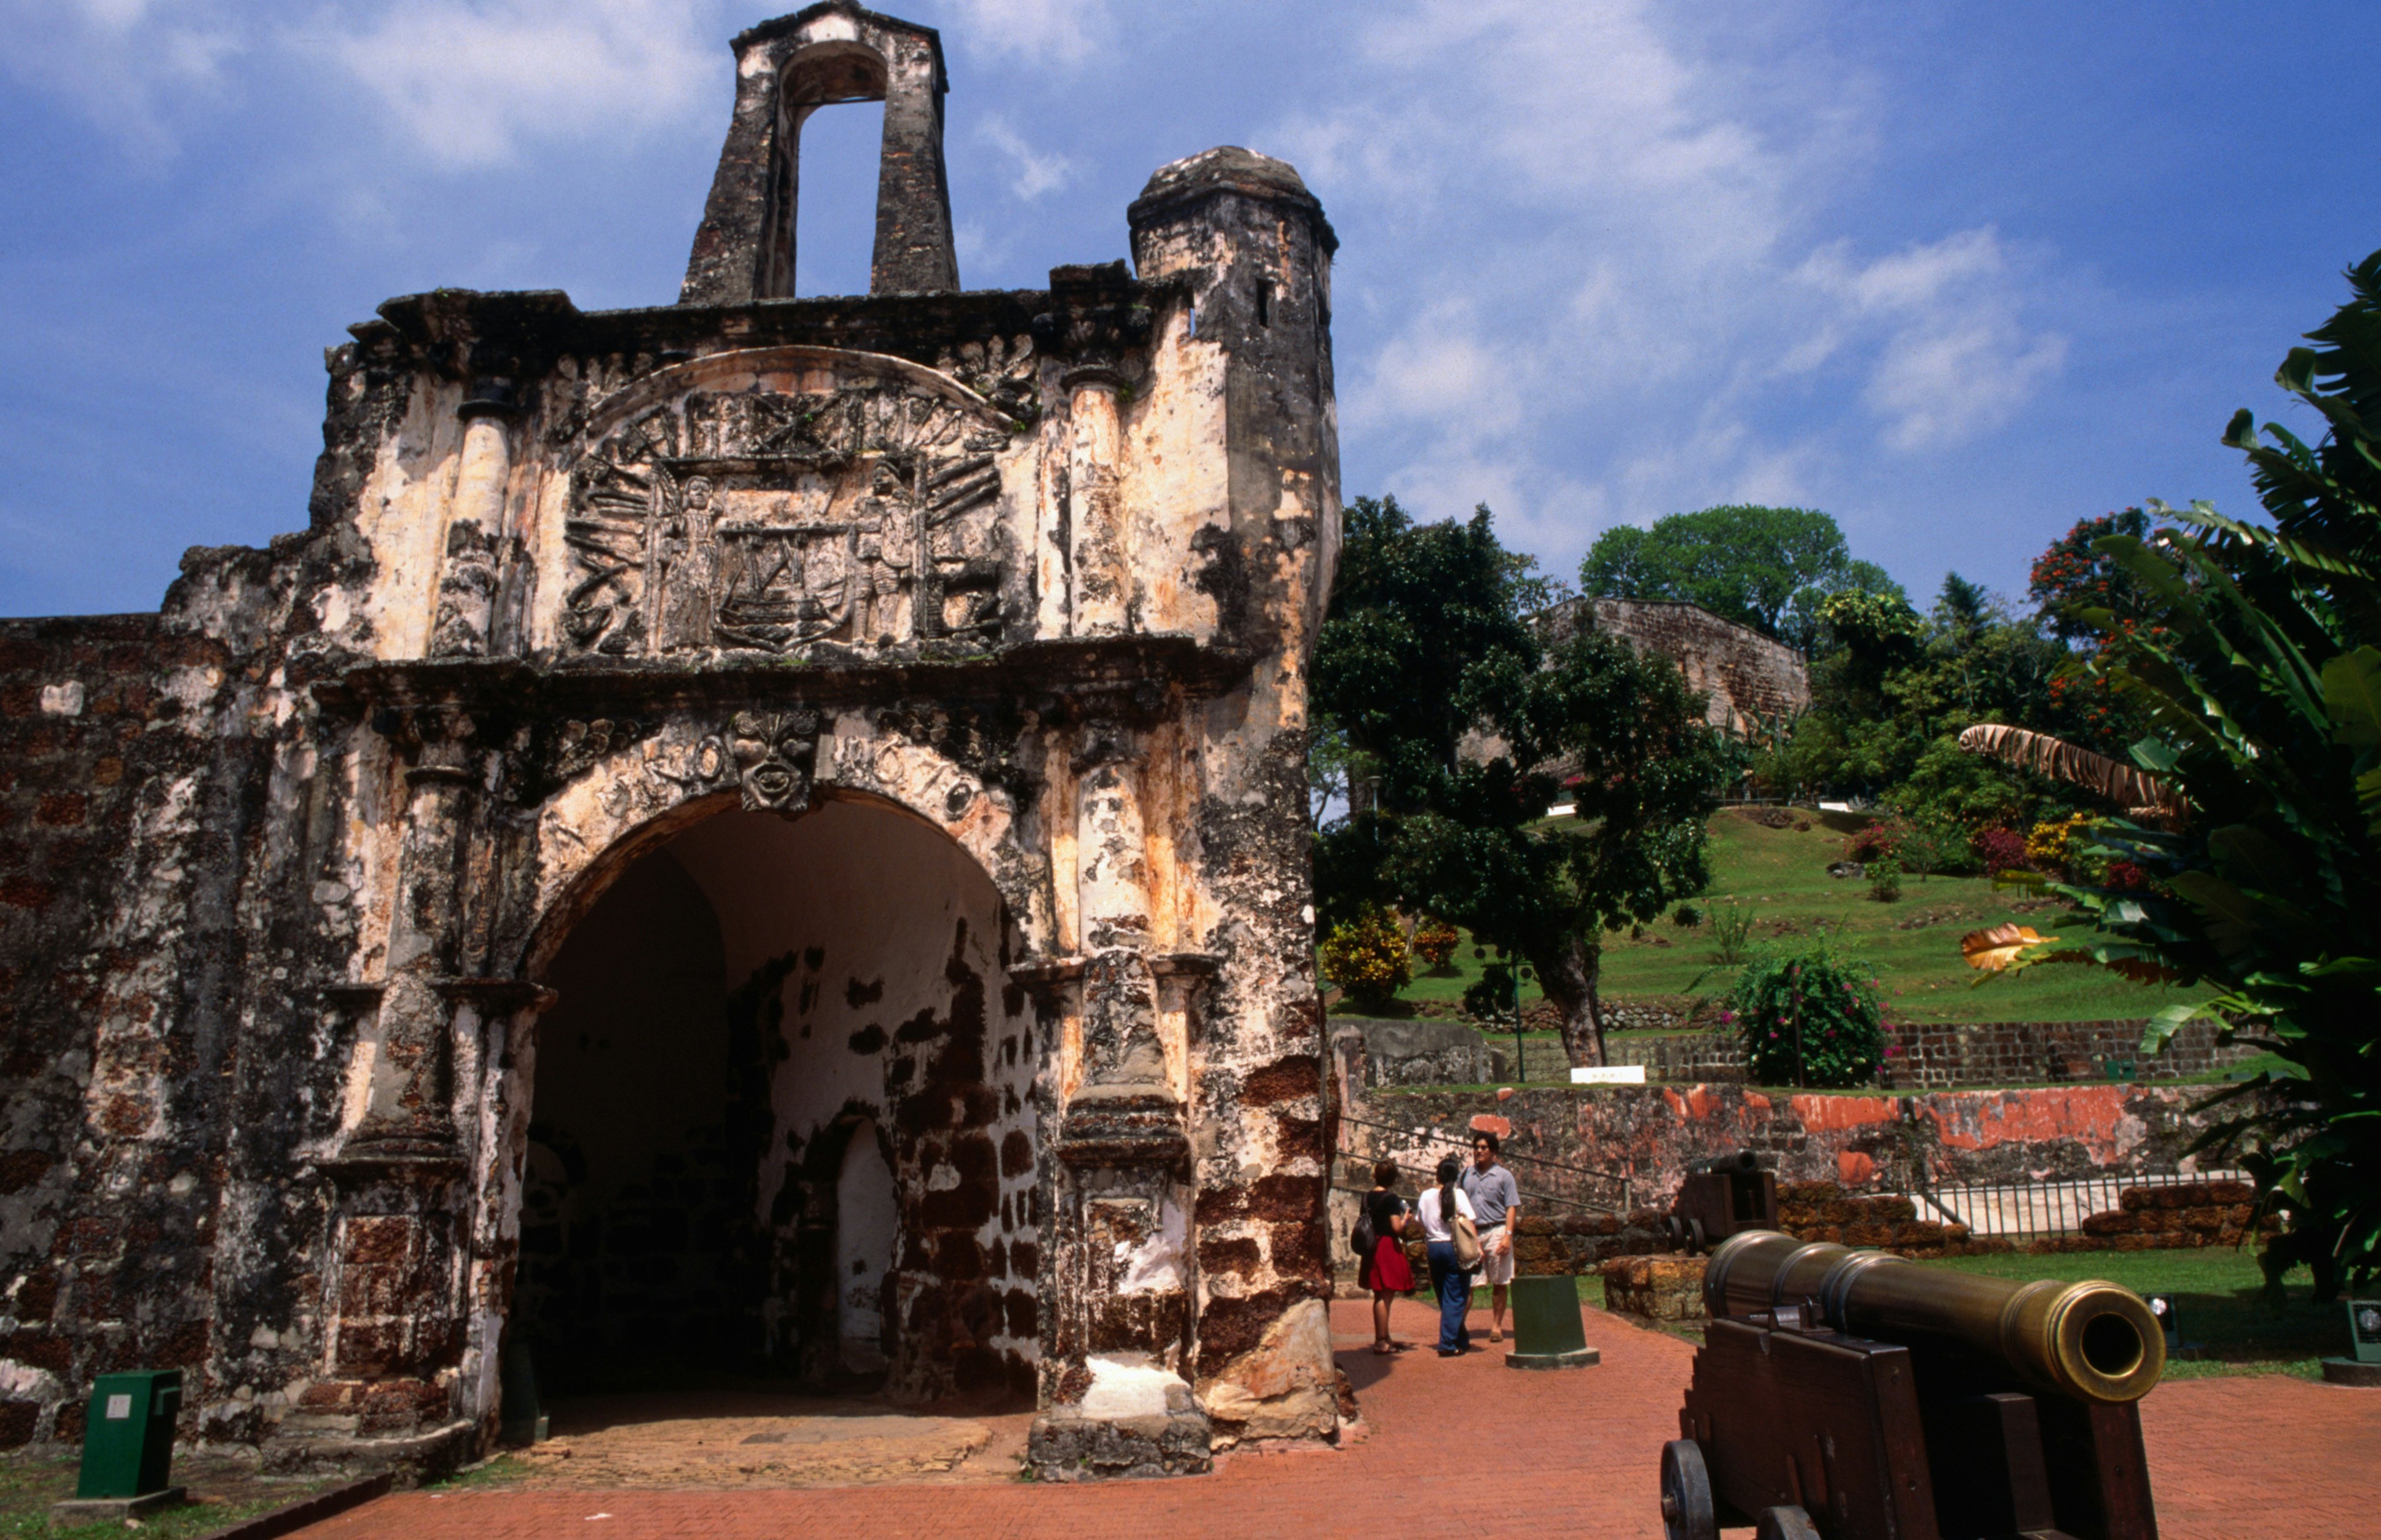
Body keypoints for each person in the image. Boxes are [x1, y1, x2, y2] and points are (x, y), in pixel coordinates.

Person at [1413, 1155, 1479, 1356]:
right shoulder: (1458, 1194)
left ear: (1438, 1175)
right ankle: (1448, 1343)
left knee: (1444, 1295)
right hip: (1454, 1247)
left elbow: (1420, 1221)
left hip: (1434, 1248)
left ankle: (1460, 1337)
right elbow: (1470, 1221)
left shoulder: (1426, 1195)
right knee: (1457, 1296)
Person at [1461, 1131, 1522, 1342]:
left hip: (1496, 1230)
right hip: (1472, 1232)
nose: (1479, 1151)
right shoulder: (1466, 1175)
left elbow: (1511, 1207)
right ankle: (1459, 1326)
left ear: (1493, 1151)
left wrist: (1507, 1235)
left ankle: (1496, 1326)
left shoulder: (1504, 1176)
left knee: (1499, 1281)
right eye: (1476, 1147)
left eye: (1484, 1147)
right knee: (1468, 1282)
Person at [1358, 1160, 1414, 1354]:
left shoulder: (1366, 1197)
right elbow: (1396, 1228)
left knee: (1379, 1293)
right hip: (1386, 1246)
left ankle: (1385, 1336)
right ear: (1393, 1178)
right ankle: (1381, 1341)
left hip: (1372, 1246)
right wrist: (1406, 1218)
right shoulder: (1391, 1199)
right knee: (1385, 1294)